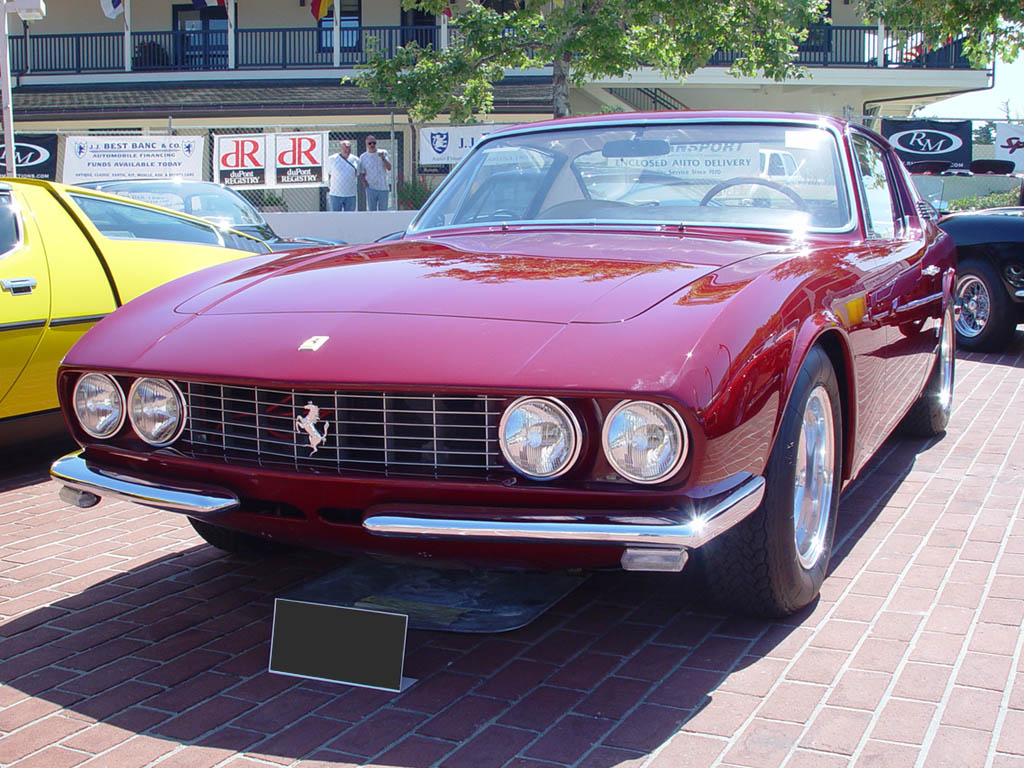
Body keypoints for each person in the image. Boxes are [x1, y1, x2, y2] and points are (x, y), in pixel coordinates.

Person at [358, 135, 392, 211]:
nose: (372, 145)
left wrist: (383, 158)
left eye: (374, 143)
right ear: (366, 144)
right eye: (370, 143)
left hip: (383, 187)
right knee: (372, 211)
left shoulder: (383, 153)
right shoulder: (363, 157)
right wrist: (365, 183)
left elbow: (389, 168)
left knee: (383, 211)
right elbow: (362, 173)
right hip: (371, 188)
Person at [326, 140, 359, 212]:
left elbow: (357, 174)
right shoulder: (332, 159)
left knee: (350, 217)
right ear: (340, 148)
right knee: (335, 218)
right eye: (345, 148)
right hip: (335, 194)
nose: (347, 150)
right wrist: (329, 186)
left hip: (351, 194)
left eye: (349, 148)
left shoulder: (355, 159)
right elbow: (328, 174)